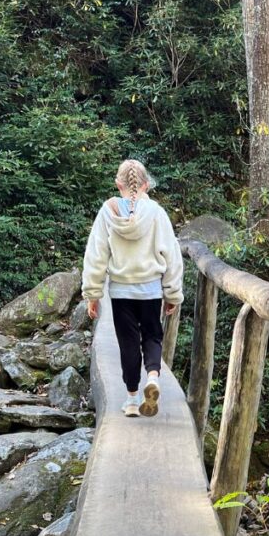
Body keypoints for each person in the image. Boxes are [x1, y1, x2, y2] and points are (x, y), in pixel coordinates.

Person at [81, 160, 184, 417]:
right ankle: (152, 376)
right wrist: (172, 293)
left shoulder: (108, 211)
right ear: (146, 185)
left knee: (128, 343)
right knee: (152, 336)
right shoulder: (157, 212)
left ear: (118, 185)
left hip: (120, 292)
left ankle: (130, 400)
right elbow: (172, 255)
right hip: (150, 290)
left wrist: (92, 294)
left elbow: (96, 255)